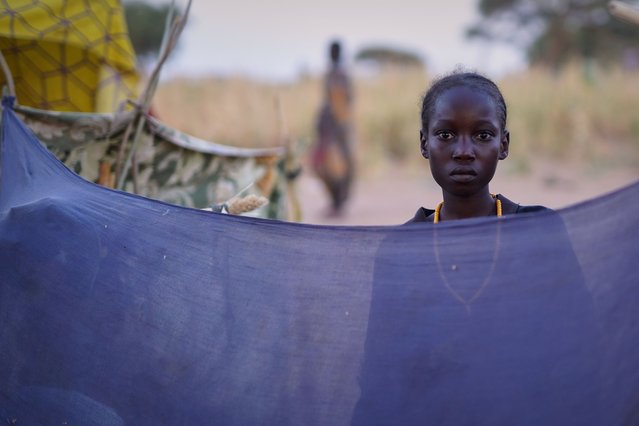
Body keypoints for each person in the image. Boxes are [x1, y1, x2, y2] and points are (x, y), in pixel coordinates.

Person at [350, 71, 602, 425]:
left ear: (504, 145)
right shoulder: (401, 250)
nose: (464, 151)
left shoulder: (536, 232)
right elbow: (380, 377)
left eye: (482, 135)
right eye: (446, 134)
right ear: (424, 144)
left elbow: (582, 347)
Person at [311, 40, 354, 216]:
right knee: (324, 165)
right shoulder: (334, 74)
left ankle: (338, 203)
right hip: (332, 128)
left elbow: (340, 104)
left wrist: (335, 128)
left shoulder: (338, 75)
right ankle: (336, 202)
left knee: (335, 167)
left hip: (337, 129)